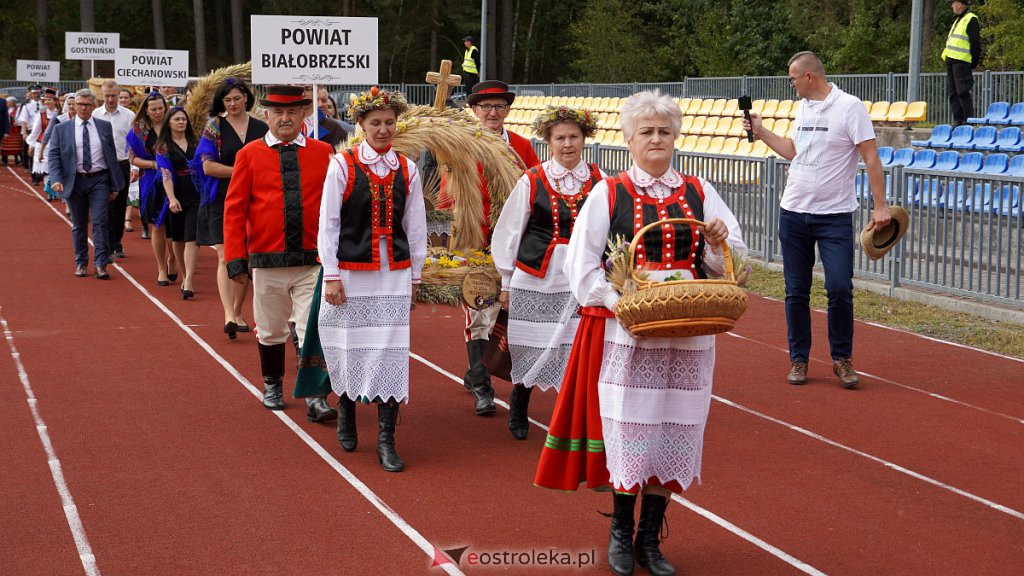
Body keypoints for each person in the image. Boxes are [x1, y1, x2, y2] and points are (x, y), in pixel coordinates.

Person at [534, 90, 747, 576]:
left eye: (664, 131)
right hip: (630, 334)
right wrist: (619, 303)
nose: (656, 139)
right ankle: (620, 532)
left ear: (676, 137)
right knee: (631, 430)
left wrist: (717, 244)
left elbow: (736, 262)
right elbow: (581, 267)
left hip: (689, 329)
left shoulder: (699, 190)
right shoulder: (609, 193)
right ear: (629, 139)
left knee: (675, 428)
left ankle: (651, 538)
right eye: (646, 131)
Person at [743, 51, 891, 389]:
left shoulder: (850, 107)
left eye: (793, 78)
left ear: (810, 76)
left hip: (835, 216)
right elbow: (794, 151)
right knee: (796, 291)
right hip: (793, 211)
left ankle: (841, 358)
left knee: (839, 287)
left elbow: (871, 157)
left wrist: (880, 206)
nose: (791, 84)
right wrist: (761, 131)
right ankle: (799, 358)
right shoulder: (804, 107)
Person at [317, 87, 426, 472]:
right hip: (350, 271)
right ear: (360, 125)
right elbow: (328, 223)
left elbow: (415, 227)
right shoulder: (342, 164)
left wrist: (415, 276)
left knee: (391, 350)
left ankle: (386, 437)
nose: (383, 130)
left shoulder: (407, 168)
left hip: (392, 273)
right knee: (350, 344)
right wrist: (331, 275)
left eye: (389, 123)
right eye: (375, 123)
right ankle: (346, 407)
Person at [223, 85, 337, 423]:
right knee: (272, 329)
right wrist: (235, 258)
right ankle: (272, 383)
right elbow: (234, 210)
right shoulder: (249, 154)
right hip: (266, 259)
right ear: (267, 116)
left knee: (311, 327)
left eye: (292, 112)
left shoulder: (324, 152)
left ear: (303, 115)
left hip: (312, 262)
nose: (285, 118)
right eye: (278, 113)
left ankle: (315, 395)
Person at [491, 105, 604, 440]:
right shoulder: (533, 179)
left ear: (584, 139)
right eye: (560, 138)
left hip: (581, 280)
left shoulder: (600, 181)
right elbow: (510, 231)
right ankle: (520, 403)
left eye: (573, 137)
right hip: (536, 276)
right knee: (529, 346)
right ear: (549, 142)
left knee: (577, 349)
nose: (567, 144)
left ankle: (571, 416)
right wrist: (507, 281)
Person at [456, 80, 542, 417]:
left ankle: (476, 370)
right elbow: (450, 197)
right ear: (475, 111)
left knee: (506, 319)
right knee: (478, 315)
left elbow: (538, 190)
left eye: (499, 107)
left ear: (507, 111)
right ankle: (482, 387)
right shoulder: (462, 147)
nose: (493, 113)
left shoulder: (522, 146)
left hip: (517, 248)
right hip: (475, 247)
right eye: (486, 107)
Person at [192, 78, 269, 339]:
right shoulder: (214, 127)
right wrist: (241, 172)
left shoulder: (262, 127)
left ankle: (238, 311)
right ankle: (228, 314)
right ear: (221, 103)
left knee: (245, 258)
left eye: (237, 98)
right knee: (225, 255)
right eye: (227, 100)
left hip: (256, 201)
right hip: (221, 200)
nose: (233, 104)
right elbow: (207, 166)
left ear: (246, 98)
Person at [47, 88, 125, 279]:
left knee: (100, 222)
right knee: (79, 224)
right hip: (75, 181)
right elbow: (54, 155)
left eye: (87, 105)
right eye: (79, 104)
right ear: (73, 106)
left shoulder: (104, 126)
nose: (82, 108)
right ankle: (81, 262)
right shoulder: (61, 129)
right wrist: (56, 178)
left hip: (99, 179)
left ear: (93, 106)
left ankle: (100, 264)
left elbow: (111, 157)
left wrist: (115, 184)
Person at [128, 92, 178, 284]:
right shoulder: (138, 131)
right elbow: (133, 158)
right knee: (158, 225)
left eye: (161, 108)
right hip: (151, 182)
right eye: (154, 109)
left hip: (175, 179)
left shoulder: (173, 125)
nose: (158, 112)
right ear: (146, 111)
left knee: (175, 226)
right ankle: (161, 269)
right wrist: (155, 165)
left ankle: (173, 258)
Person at [156, 107, 201, 299]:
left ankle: (189, 280)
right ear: (169, 123)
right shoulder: (163, 147)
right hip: (176, 191)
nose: (181, 122)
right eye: (177, 119)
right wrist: (172, 197)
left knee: (192, 236)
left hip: (196, 193)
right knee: (178, 238)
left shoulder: (196, 142)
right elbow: (166, 174)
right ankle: (183, 273)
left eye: (184, 119)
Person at [97, 80, 137, 259]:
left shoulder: (129, 116)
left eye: (114, 95)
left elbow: (135, 144)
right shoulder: (95, 114)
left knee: (120, 206)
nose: (111, 99)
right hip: (102, 166)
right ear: (102, 95)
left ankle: (117, 242)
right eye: (107, 96)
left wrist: (135, 165)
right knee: (103, 206)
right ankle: (105, 244)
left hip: (122, 165)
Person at [942, 0, 982, 126]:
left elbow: (975, 44)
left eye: (953, 3)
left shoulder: (971, 18)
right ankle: (958, 120)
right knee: (953, 93)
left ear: (959, 4)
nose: (951, 6)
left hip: (962, 61)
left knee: (962, 91)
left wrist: (973, 63)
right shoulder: (957, 20)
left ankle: (968, 121)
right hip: (952, 60)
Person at [26, 88, 58, 195]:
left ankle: (54, 190)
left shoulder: (60, 113)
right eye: (45, 100)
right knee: (45, 169)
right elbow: (36, 131)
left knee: (55, 168)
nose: (47, 102)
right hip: (43, 144)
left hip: (58, 143)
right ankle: (49, 191)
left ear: (55, 101)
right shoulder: (41, 114)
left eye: (50, 100)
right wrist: (31, 145)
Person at [17, 86, 42, 177]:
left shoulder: (44, 103)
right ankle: (34, 174)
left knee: (42, 151)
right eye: (34, 93)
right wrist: (24, 133)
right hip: (31, 130)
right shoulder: (26, 105)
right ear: (31, 94)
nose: (36, 95)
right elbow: (24, 120)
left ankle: (41, 171)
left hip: (43, 131)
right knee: (32, 151)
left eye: (38, 93)